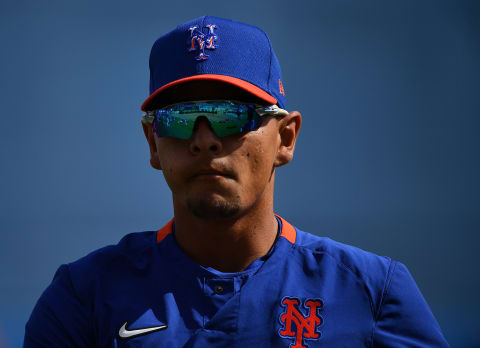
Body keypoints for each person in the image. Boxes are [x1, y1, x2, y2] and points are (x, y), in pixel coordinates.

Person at [24, 16, 449, 347]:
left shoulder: (370, 293)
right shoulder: (85, 298)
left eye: (231, 114)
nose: (204, 139)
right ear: (154, 144)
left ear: (285, 138)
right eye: (180, 119)